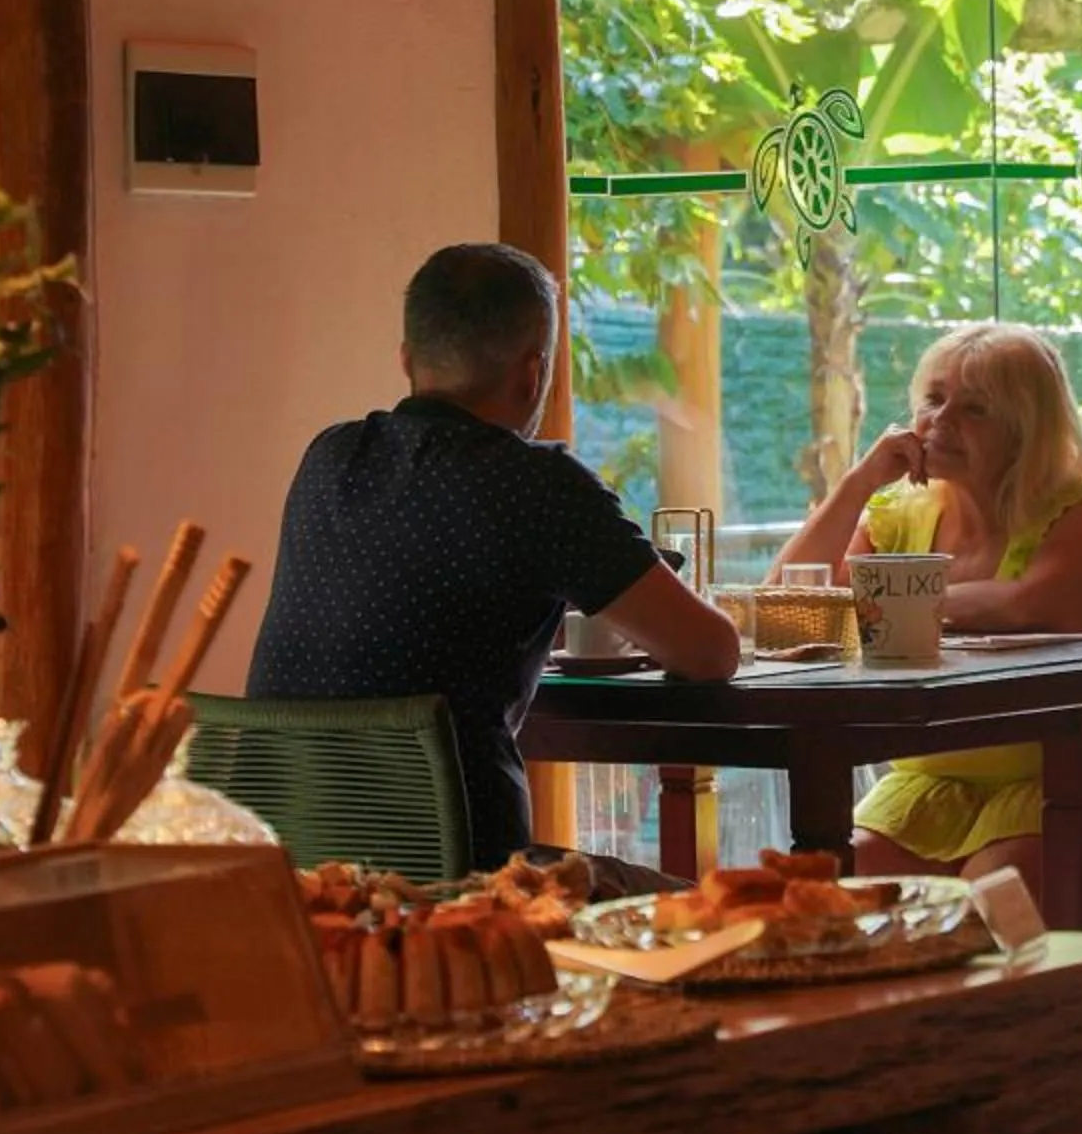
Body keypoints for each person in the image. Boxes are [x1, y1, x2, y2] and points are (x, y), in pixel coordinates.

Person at [248, 243, 739, 876]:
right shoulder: (536, 484)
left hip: (306, 884)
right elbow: (709, 653)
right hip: (472, 889)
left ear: (407, 363)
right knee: (704, 916)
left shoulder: (329, 458)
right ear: (534, 373)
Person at [772, 324, 1082, 929]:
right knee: (814, 908)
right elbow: (786, 606)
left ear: (1026, 429)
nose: (939, 422)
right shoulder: (896, 515)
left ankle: (1027, 1021)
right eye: (933, 400)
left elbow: (1033, 606)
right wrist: (860, 483)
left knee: (986, 913)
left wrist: (882, 603)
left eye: (974, 409)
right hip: (942, 793)